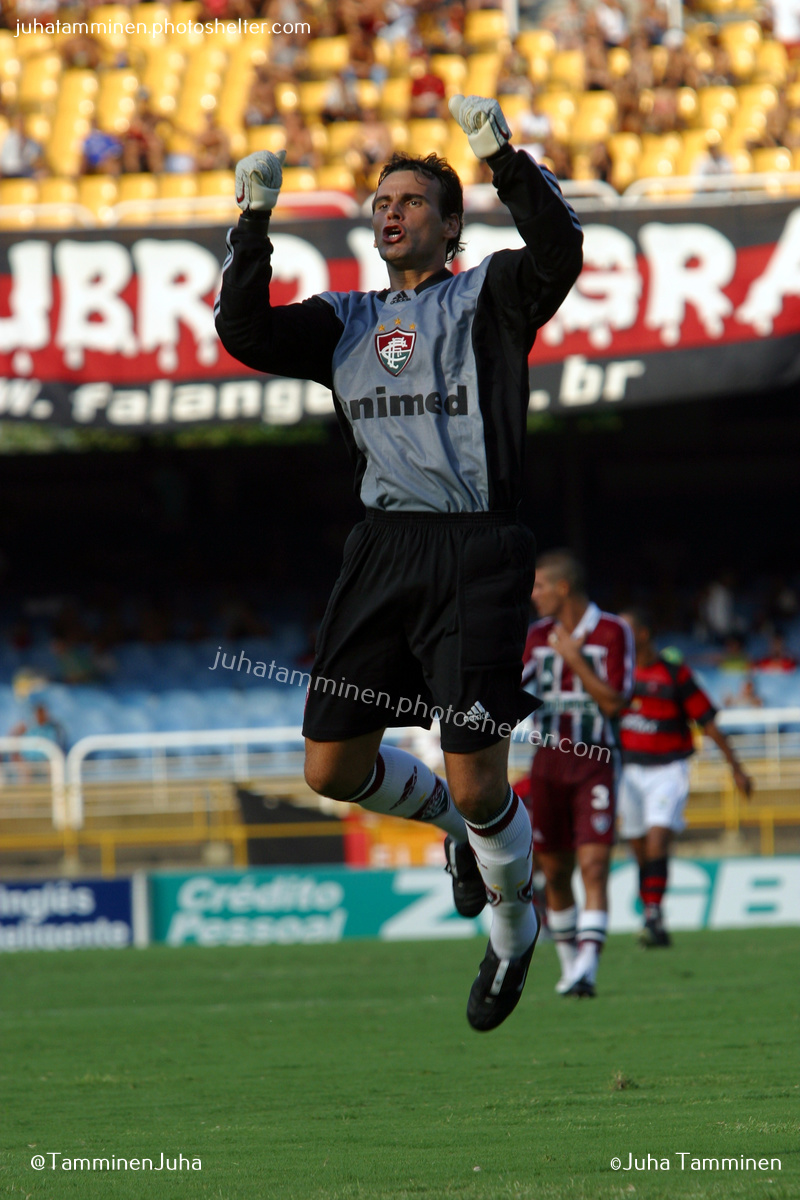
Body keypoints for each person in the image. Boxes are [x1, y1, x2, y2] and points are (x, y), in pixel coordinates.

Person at [215, 94, 583, 1031]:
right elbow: (245, 333)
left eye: (413, 200)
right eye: (383, 199)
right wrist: (252, 220)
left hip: (479, 552)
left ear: (451, 225)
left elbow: (561, 252)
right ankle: (458, 834)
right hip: (382, 552)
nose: (392, 211)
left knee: (476, 775)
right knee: (330, 769)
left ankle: (513, 933)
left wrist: (502, 156)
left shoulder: (492, 294)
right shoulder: (344, 317)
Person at [520, 550, 634, 998]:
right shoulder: (536, 636)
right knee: (556, 869)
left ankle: (588, 966)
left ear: (562, 587)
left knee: (594, 865)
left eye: (539, 586)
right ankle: (570, 967)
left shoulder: (611, 631)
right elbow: (515, 687)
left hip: (595, 760)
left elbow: (614, 704)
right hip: (547, 760)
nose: (533, 596)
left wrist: (575, 660)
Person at [618, 608, 753, 947]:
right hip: (627, 772)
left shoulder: (675, 675)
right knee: (639, 849)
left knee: (657, 838)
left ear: (644, 634)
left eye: (626, 630)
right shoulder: (615, 677)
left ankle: (651, 913)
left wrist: (736, 768)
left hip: (668, 770)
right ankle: (654, 913)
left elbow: (707, 722)